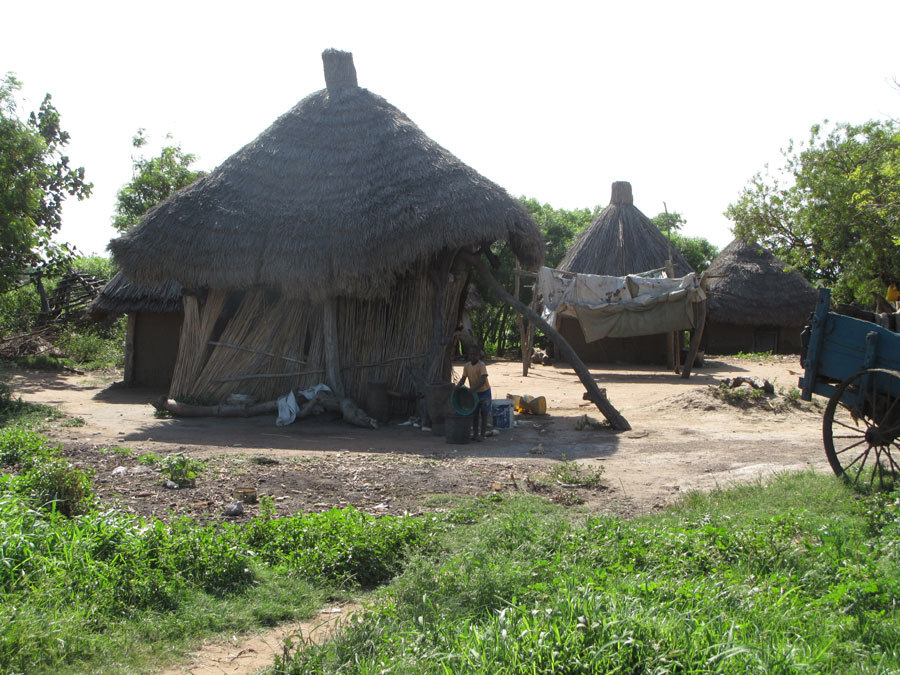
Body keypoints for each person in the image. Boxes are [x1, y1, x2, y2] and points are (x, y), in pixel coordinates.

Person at [457, 345, 491, 441]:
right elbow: (463, 379)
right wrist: (457, 387)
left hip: (484, 392)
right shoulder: (467, 366)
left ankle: (482, 435)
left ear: (479, 355)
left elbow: (483, 380)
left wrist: (473, 389)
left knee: (484, 414)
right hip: (475, 393)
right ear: (468, 355)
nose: (473, 356)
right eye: (471, 354)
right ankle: (475, 434)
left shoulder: (481, 365)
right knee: (475, 414)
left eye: (475, 355)